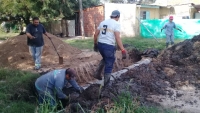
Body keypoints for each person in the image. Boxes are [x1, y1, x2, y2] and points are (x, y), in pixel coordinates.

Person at [93, 10, 127, 86]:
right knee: (109, 63)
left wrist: (95, 44)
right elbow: (117, 37)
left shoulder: (103, 22)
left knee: (106, 58)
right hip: (108, 46)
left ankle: (97, 73)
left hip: (100, 45)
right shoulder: (116, 24)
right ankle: (106, 84)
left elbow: (95, 35)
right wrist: (123, 50)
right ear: (118, 16)